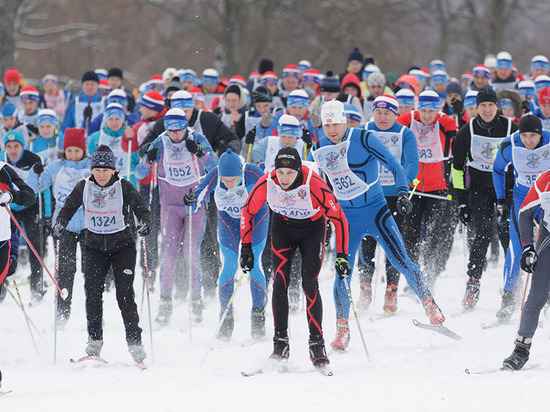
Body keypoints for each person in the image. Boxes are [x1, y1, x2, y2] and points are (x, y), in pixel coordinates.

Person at [309, 100, 445, 351]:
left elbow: (394, 165)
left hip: (376, 211)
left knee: (401, 260)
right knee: (342, 274)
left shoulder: (363, 137)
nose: (332, 130)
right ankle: (342, 329)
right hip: (346, 218)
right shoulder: (318, 148)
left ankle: (429, 304)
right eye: (327, 125)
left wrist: (403, 193)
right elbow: (310, 182)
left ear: (345, 121)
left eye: (336, 124)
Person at [240, 147, 350, 369]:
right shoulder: (268, 181)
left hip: (313, 229)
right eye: (280, 172)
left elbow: (339, 220)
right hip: (283, 228)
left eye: (289, 173)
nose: (284, 179)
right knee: (280, 281)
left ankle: (316, 345)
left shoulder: (314, 184)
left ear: (299, 170)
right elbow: (248, 211)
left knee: (310, 282)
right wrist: (246, 247)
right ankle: (280, 344)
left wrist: (341, 255)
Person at [54, 145, 150, 364]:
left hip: (122, 246)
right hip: (94, 247)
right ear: (92, 170)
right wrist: (60, 224)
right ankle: (94, 344)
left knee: (125, 295)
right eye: (97, 170)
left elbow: (141, 208)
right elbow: (67, 209)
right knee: (93, 294)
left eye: (106, 170)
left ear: (114, 171)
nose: (101, 174)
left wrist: (145, 223)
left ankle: (135, 343)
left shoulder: (123, 186)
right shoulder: (84, 186)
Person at [135, 108, 217, 325]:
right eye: (171, 131)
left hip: (194, 205)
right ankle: (165, 304)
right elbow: (139, 174)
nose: (175, 135)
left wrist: (200, 153)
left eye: (179, 130)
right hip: (169, 206)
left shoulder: (197, 139)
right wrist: (147, 159)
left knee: (191, 254)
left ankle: (196, 303)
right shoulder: (161, 142)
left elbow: (216, 168)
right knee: (169, 255)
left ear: (185, 127)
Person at [452, 87, 518, 309]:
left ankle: (513, 285)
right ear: (477, 108)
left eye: (491, 105)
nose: (487, 110)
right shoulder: (466, 131)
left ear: (497, 107)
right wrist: (461, 200)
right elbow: (457, 169)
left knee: (507, 234)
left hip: (506, 189)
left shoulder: (510, 128)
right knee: (480, 234)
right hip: (479, 189)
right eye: (482, 106)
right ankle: (473, 283)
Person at [195, 149, 269, 340]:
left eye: (233, 180)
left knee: (253, 264)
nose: (228, 185)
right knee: (228, 265)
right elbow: (199, 192)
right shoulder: (215, 174)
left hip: (256, 220)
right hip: (228, 221)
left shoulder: (252, 173)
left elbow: (273, 190)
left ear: (240, 173)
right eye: (225, 181)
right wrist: (191, 200)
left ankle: (258, 315)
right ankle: (226, 319)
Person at [356, 95, 418, 312]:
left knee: (393, 241)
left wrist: (404, 188)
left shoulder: (404, 133)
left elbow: (411, 163)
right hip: (367, 193)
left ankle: (391, 290)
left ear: (396, 113)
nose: (382, 117)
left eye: (388, 113)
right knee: (366, 239)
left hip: (394, 195)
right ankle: (365, 287)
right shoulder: (362, 131)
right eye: (378, 112)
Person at [28, 128, 90, 325]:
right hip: (64, 225)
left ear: (83, 150)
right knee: (64, 270)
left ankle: (94, 314)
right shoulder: (55, 167)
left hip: (89, 224)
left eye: (76, 151)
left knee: (91, 271)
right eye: (69, 150)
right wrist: (34, 172)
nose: (73, 155)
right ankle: (62, 314)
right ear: (64, 150)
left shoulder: (91, 166)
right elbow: (36, 187)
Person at [493, 115, 550, 322]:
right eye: (524, 135)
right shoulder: (510, 144)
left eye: (533, 136)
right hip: (523, 199)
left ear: (540, 134)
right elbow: (497, 170)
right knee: (518, 250)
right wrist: (500, 198)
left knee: (547, 248)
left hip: (546, 198)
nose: (528, 140)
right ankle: (507, 299)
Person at [397, 91, 457, 288]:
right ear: (418, 108)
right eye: (424, 110)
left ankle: (429, 274)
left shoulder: (446, 122)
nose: (428, 115)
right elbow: (387, 128)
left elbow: (462, 131)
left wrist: (461, 112)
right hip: (413, 187)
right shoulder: (408, 119)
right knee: (411, 233)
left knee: (433, 234)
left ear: (438, 110)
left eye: (432, 111)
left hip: (438, 187)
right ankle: (413, 275)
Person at [501, 161, 550, 370]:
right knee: (537, 294)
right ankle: (521, 349)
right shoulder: (544, 180)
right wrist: (528, 246)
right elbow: (524, 213)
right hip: (548, 239)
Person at [0, 130, 44, 300]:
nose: (13, 150)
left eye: (16, 146)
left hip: (26, 208)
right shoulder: (3, 160)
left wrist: (10, 195)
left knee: (35, 244)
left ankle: (37, 285)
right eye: (9, 146)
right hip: (10, 211)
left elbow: (32, 193)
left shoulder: (30, 160)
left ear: (22, 146)